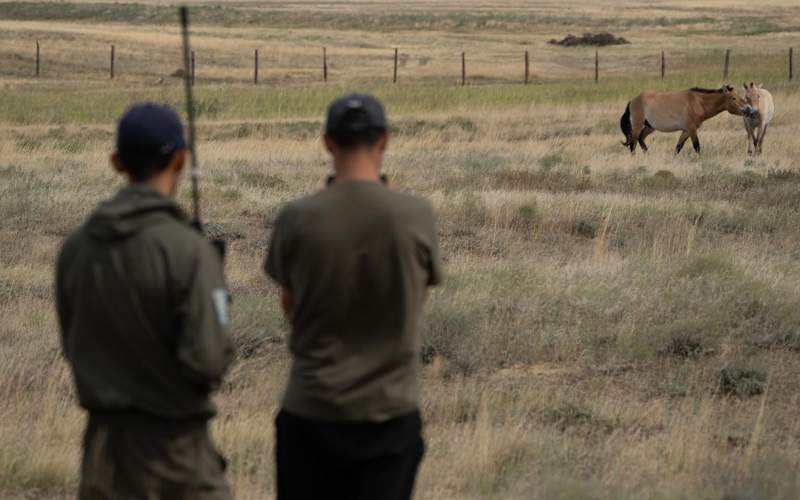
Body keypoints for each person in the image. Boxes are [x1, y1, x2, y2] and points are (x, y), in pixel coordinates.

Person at [265, 93, 442, 500]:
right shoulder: (415, 214)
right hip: (389, 411)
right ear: (384, 140)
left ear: (328, 142)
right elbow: (416, 298)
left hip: (311, 409)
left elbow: (290, 305)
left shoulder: (297, 217)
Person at [55, 103, 235, 500]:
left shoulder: (76, 249)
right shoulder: (189, 253)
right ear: (181, 160)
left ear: (117, 162)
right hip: (176, 458)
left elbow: (73, 344)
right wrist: (216, 296)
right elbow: (209, 361)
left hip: (104, 457)